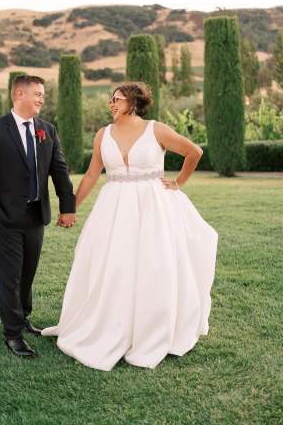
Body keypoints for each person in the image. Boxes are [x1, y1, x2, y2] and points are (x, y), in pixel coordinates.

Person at [42, 82, 218, 371]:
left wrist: (178, 183)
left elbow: (194, 152)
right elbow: (90, 175)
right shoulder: (103, 134)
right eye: (111, 100)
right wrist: (70, 208)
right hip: (113, 209)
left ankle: (151, 327)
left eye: (117, 99)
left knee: (153, 264)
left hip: (153, 207)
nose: (111, 104)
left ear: (133, 102)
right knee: (113, 265)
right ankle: (111, 323)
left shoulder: (156, 130)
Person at [0, 74, 76, 359]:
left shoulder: (47, 130)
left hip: (36, 215)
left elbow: (60, 171)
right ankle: (12, 334)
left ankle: (23, 317)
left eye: (43, 94)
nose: (43, 99)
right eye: (39, 94)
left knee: (27, 273)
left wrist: (68, 207)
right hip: (5, 218)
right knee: (10, 277)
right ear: (20, 93)